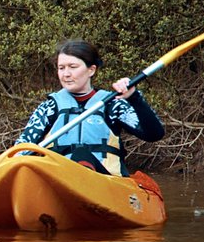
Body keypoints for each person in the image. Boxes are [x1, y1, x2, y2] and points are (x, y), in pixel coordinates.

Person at [15, 39, 165, 176]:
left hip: (105, 180)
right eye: (61, 68)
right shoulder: (49, 107)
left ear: (91, 70)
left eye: (73, 67)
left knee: (82, 154)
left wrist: (134, 97)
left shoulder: (112, 105)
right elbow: (22, 147)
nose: (66, 74)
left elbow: (154, 134)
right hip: (58, 177)